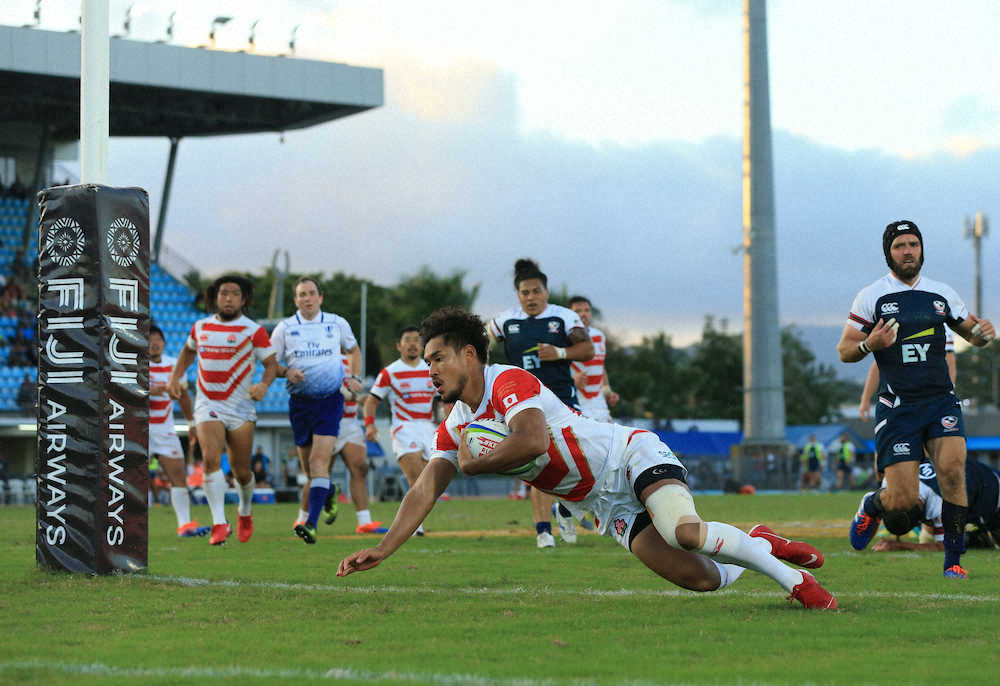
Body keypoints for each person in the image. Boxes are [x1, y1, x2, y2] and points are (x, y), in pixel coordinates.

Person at [337, 308, 837, 610]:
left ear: (470, 355)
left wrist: (473, 464)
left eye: (437, 359)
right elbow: (424, 488)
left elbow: (531, 441)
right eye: (426, 364)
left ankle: (798, 584)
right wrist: (384, 550)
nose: (431, 371)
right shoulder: (456, 425)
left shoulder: (508, 380)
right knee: (702, 578)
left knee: (683, 532)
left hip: (629, 457)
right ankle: (760, 543)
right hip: (606, 505)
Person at [836, 220, 995, 579]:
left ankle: (954, 559)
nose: (908, 251)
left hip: (941, 400)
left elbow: (971, 331)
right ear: (888, 252)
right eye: (899, 246)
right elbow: (845, 349)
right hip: (899, 407)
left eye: (913, 244)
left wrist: (983, 336)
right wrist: (867, 345)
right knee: (903, 500)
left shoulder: (942, 294)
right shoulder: (872, 296)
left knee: (954, 471)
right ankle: (873, 504)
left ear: (922, 249)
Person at [487, 259, 594, 548]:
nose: (530, 298)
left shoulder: (563, 317)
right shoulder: (505, 320)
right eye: (525, 293)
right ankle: (543, 531)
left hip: (562, 398)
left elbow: (587, 349)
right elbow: (479, 345)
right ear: (518, 295)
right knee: (538, 461)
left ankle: (566, 507)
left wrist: (559, 352)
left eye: (536, 291)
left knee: (580, 459)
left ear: (546, 292)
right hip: (522, 402)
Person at [168, 275, 279, 546]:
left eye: (234, 294)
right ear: (215, 297)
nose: (228, 298)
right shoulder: (200, 327)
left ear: (243, 299)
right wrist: (175, 376)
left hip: (240, 408)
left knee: (242, 472)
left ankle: (244, 511)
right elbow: (187, 352)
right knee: (209, 460)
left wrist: (263, 386)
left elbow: (272, 364)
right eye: (223, 293)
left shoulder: (253, 330)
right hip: (208, 404)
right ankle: (219, 522)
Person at [270, 277, 363, 544]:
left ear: (320, 297)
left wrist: (354, 375)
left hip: (330, 402)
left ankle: (310, 525)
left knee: (317, 463)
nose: (307, 298)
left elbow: (353, 350)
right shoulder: (285, 329)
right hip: (300, 405)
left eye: (311, 293)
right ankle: (329, 490)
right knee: (310, 473)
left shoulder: (337, 323)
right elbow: (271, 365)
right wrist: (286, 371)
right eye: (302, 294)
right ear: (295, 300)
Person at [364, 327, 436, 536]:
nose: (413, 344)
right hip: (404, 427)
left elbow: (445, 398)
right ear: (399, 345)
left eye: (416, 340)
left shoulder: (431, 368)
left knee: (429, 482)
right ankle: (415, 527)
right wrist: (370, 424)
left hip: (428, 427)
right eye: (408, 340)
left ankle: (411, 522)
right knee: (416, 478)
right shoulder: (390, 372)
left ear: (422, 345)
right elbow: (371, 401)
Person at [861, 459, 1000, 553]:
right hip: (966, 474)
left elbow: (945, 546)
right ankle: (976, 536)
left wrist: (899, 545)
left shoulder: (941, 504)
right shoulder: (893, 482)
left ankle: (977, 537)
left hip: (991, 494)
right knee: (929, 536)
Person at [149, 325, 208, 537]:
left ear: (164, 343)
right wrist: (149, 390)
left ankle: (185, 526)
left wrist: (191, 423)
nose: (154, 343)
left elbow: (182, 395)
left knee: (178, 477)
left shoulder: (174, 365)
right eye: (150, 340)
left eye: (158, 339)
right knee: (128, 479)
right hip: (139, 429)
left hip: (165, 429)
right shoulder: (135, 366)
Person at [329, 354, 382, 533]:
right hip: (327, 421)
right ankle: (304, 519)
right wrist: (356, 398)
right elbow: (330, 388)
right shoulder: (323, 355)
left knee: (360, 467)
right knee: (319, 474)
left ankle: (364, 521)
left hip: (350, 422)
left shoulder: (352, 361)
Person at [859, 330, 957, 421]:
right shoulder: (893, 324)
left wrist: (949, 395)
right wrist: (865, 398)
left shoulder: (940, 322)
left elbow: (950, 361)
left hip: (934, 400)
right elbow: (879, 365)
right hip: (901, 403)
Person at [568, 295, 620, 423]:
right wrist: (571, 381)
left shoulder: (599, 336)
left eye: (586, 310)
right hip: (575, 404)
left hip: (599, 405)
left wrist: (608, 391)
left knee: (610, 441)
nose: (583, 314)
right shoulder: (563, 338)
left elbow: (600, 367)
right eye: (578, 311)